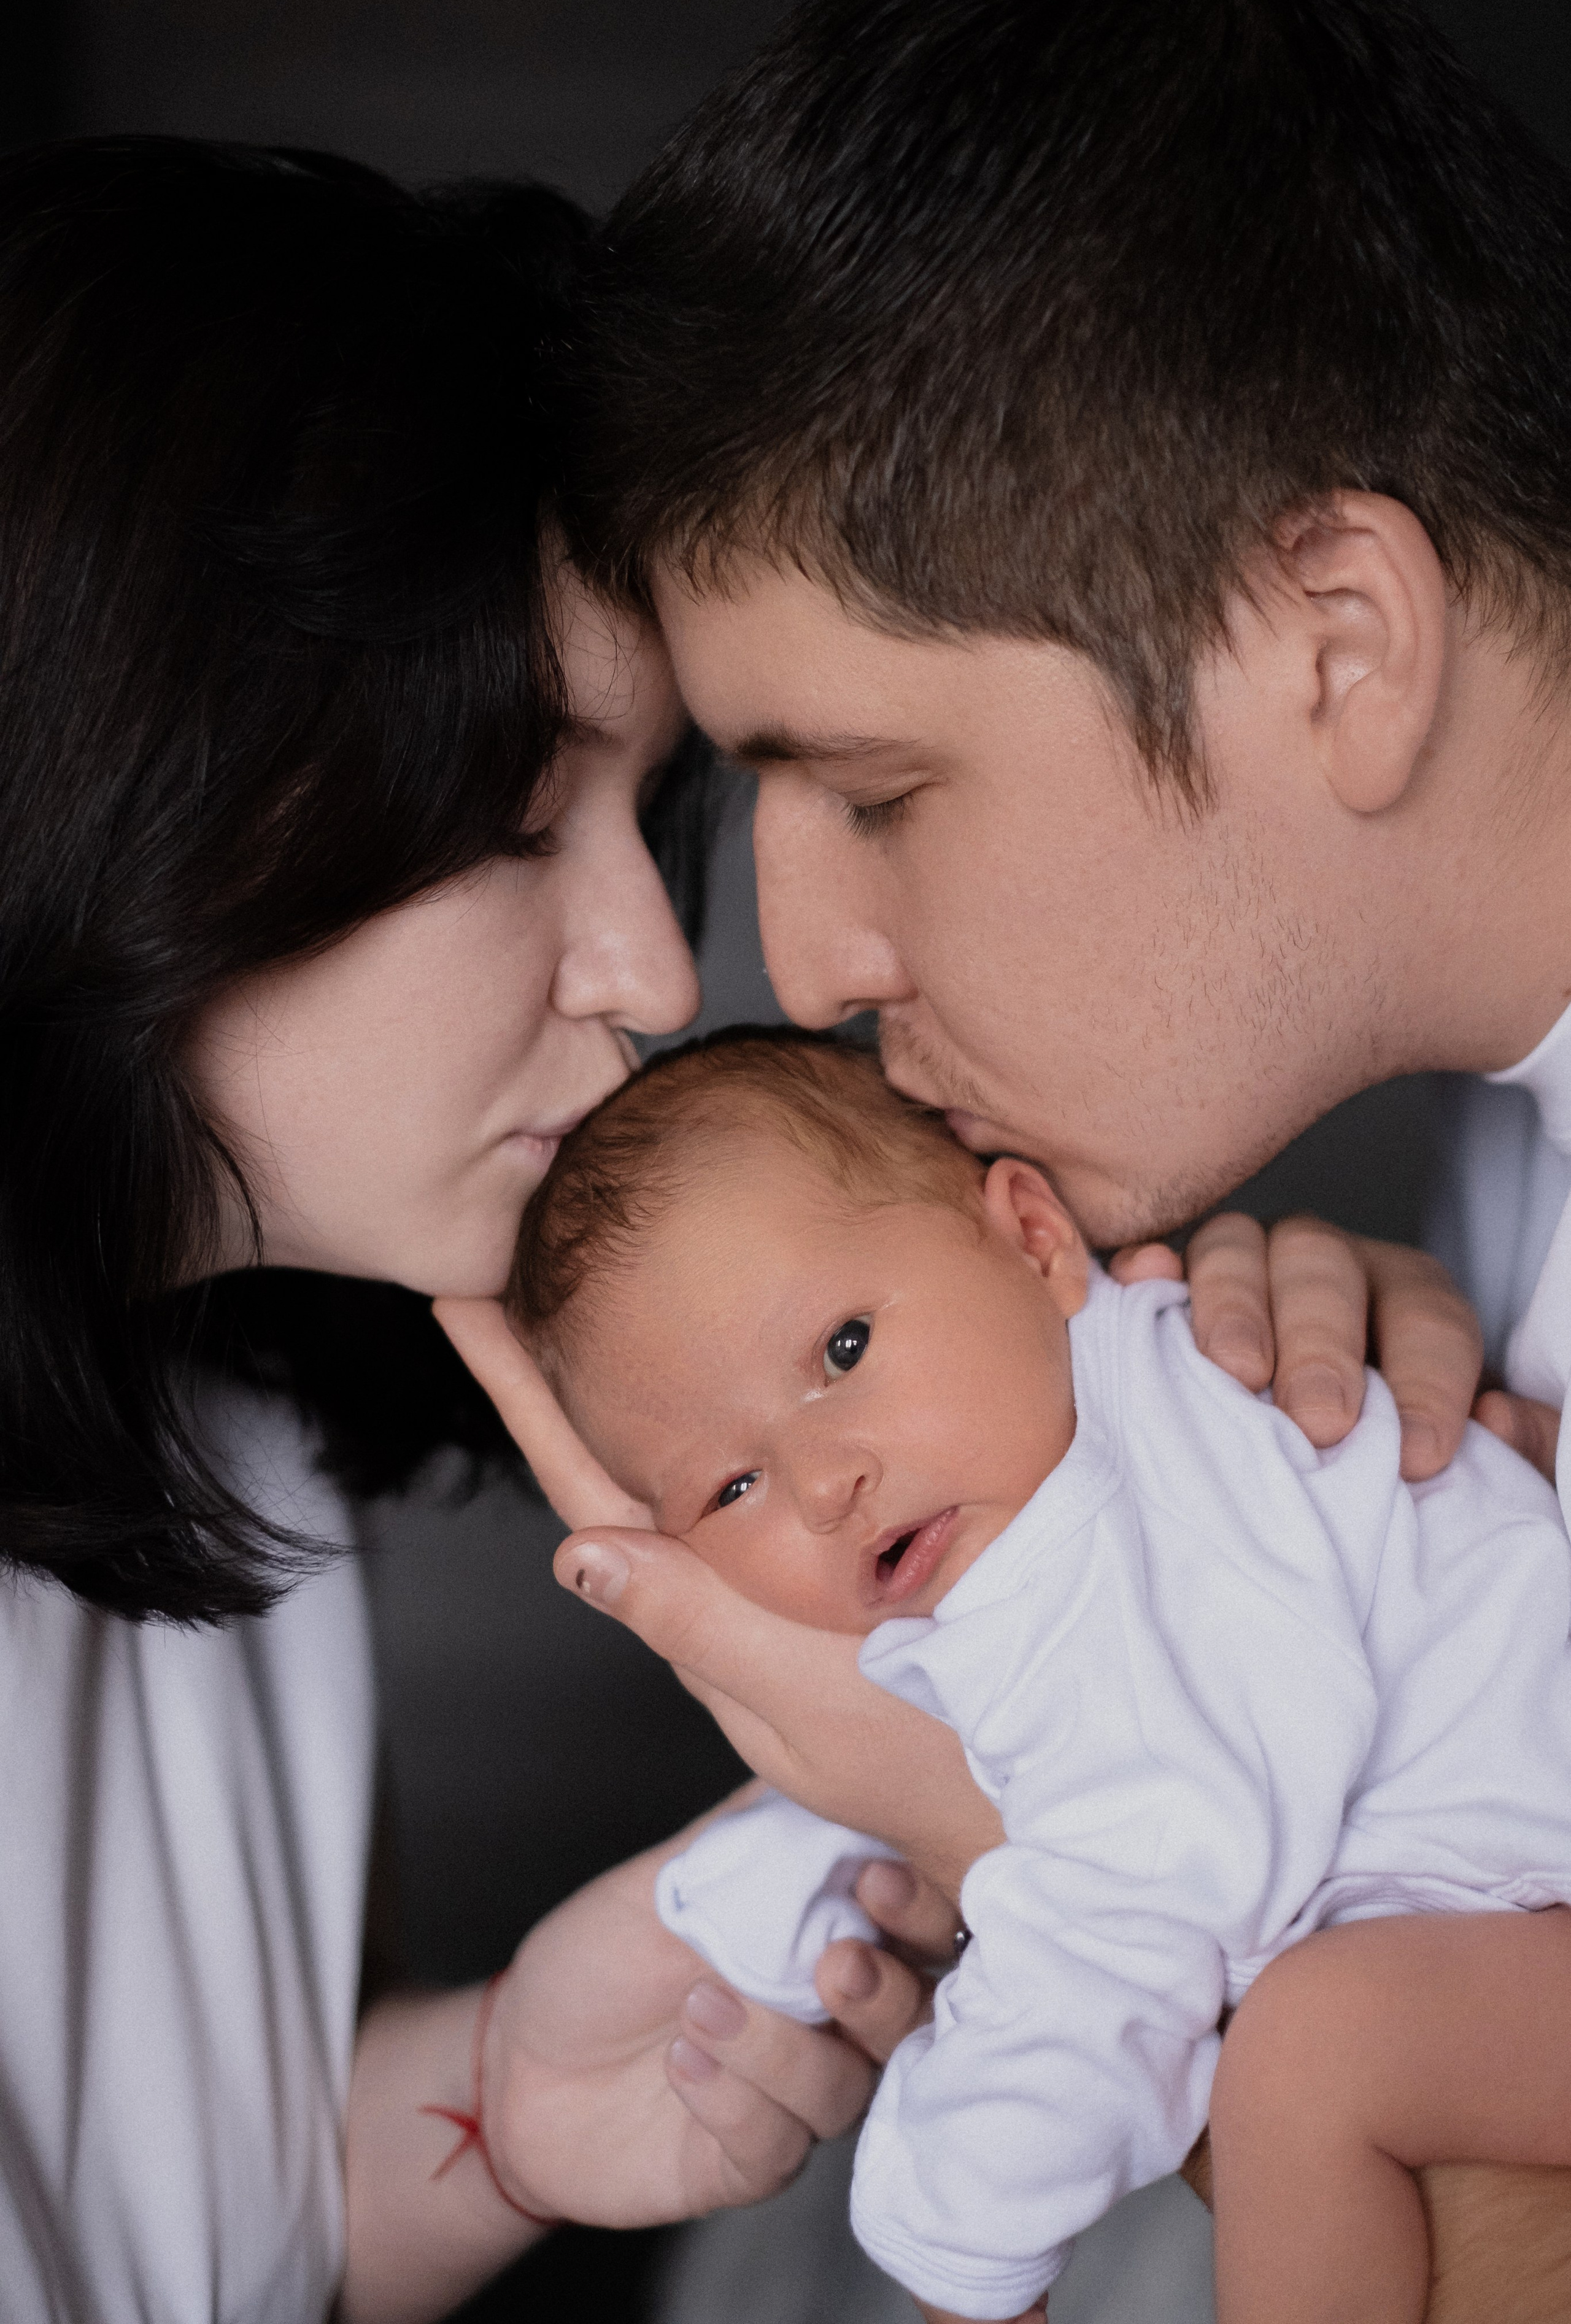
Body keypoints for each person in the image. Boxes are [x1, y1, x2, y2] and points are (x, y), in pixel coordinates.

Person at [436, 0, 1571, 2312]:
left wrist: (1011, 1820)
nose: (808, 963)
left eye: (873, 791)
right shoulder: (1468, 1202)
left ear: (1336, 642)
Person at [0, 136, 920, 2324]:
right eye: (518, 816)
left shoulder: (224, 1428)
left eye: (635, 818)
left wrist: (495, 2101)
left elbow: (182, 2218)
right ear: (145, 776)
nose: (647, 969)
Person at [495, 1027, 1571, 2324]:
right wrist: (769, 1891)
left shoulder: (1118, 1512)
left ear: (1032, 1237)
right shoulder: (1055, 1468)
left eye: (844, 1350)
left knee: (1306, 2058)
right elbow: (1021, 1766)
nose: (824, 1485)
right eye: (730, 1487)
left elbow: (1145, 1894)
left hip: (1533, 1899)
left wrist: (961, 2236)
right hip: (1508, 1903)